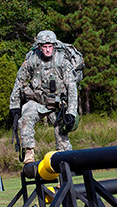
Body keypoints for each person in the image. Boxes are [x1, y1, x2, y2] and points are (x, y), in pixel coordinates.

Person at [9, 30, 78, 164]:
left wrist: (71, 111)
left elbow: (72, 88)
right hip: (38, 102)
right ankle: (29, 151)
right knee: (25, 118)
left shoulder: (62, 62)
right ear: (40, 47)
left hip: (57, 104)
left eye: (50, 46)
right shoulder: (31, 60)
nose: (47, 50)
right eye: (45, 47)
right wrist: (14, 105)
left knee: (61, 134)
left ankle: (65, 163)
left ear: (54, 46)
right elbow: (19, 82)